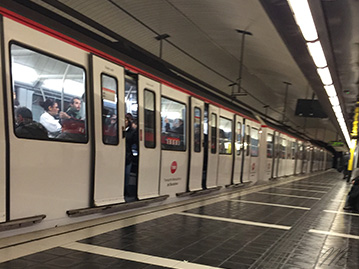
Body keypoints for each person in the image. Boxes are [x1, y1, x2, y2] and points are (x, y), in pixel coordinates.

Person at [124, 113, 137, 196]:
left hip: (127, 157)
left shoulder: (131, 132)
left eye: (125, 120)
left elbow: (130, 140)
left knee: (126, 175)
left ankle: (125, 189)